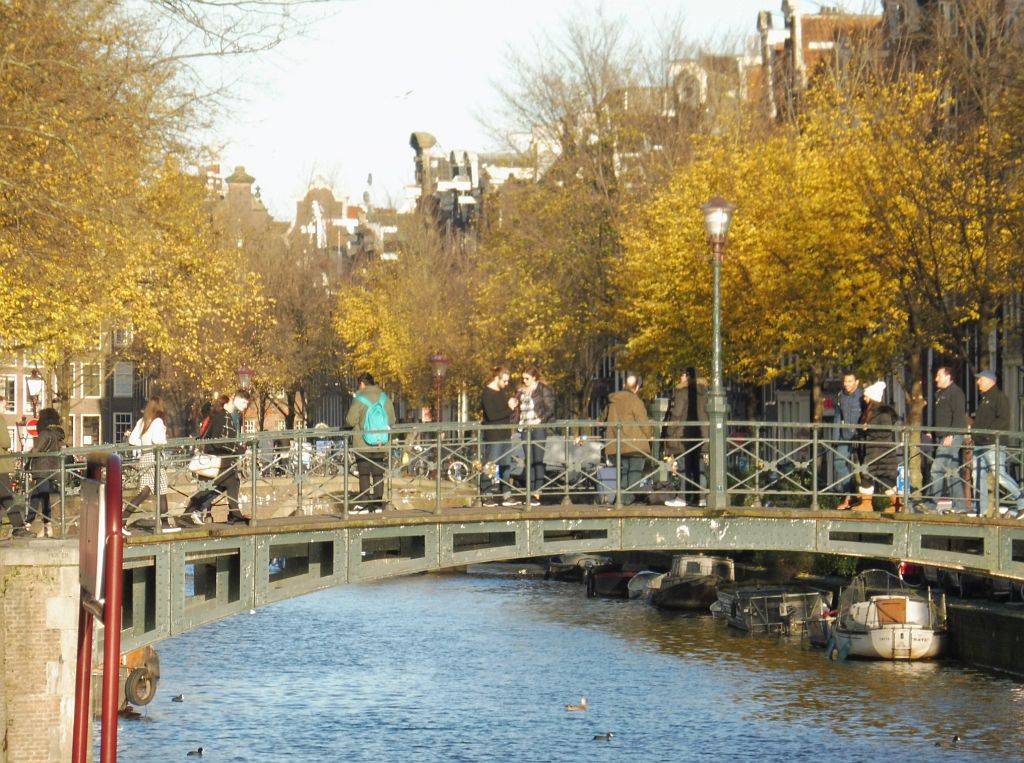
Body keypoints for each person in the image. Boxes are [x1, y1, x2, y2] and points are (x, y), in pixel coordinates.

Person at [187, 390, 251, 525]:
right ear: (233, 401)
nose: (245, 406)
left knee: (223, 484)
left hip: (223, 458)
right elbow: (219, 440)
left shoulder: (227, 416)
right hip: (218, 458)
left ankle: (190, 512)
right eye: (244, 402)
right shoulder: (223, 417)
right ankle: (234, 515)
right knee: (227, 483)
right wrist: (240, 450)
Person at [971, 370, 1024, 518]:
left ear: (990, 380)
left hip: (992, 443)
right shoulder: (984, 399)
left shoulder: (1000, 398)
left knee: (999, 475)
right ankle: (981, 510)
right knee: (977, 475)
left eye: (980, 379)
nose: (978, 382)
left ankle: (1022, 503)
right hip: (979, 443)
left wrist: (987, 433)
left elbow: (1003, 420)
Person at [125, 396, 179, 534]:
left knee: (144, 492)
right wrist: (164, 441)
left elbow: (132, 440)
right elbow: (158, 440)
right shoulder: (158, 421)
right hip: (155, 458)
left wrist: (145, 444)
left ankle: (121, 519)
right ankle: (165, 524)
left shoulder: (142, 421)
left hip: (144, 457)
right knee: (161, 489)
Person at [505, 365, 555, 507]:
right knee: (529, 460)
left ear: (534, 377)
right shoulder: (520, 391)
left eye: (527, 378)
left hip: (538, 427)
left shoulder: (542, 389)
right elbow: (515, 409)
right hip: (524, 428)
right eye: (523, 378)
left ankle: (536, 493)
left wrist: (539, 420)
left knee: (538, 459)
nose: (524, 380)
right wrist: (511, 405)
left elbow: (550, 408)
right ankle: (529, 492)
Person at [346, 372, 397, 513]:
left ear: (362, 383)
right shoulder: (384, 398)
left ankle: (364, 504)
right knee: (378, 473)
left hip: (363, 443)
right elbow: (392, 420)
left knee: (364, 473)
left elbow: (350, 420)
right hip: (381, 442)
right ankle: (378, 504)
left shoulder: (360, 398)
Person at [601, 372, 653, 506]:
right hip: (635, 444)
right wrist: (649, 436)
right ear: (636, 388)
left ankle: (620, 499)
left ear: (624, 385)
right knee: (634, 473)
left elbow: (602, 419)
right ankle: (627, 500)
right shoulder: (636, 401)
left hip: (617, 444)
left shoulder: (612, 400)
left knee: (623, 472)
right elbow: (643, 423)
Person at [923, 366, 967, 513]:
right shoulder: (940, 394)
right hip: (942, 435)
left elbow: (958, 415)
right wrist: (933, 431)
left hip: (950, 437)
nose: (936, 379)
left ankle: (930, 504)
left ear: (948, 377)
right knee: (952, 473)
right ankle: (960, 507)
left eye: (939, 376)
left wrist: (951, 434)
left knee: (937, 469)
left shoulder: (956, 393)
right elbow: (943, 416)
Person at [662, 367, 708, 508]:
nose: (680, 378)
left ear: (687, 376)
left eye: (682, 375)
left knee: (684, 467)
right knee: (699, 467)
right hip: (700, 435)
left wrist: (669, 431)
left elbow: (676, 414)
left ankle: (683, 498)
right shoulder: (705, 393)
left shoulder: (682, 392)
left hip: (683, 435)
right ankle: (700, 498)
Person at [854, 381, 901, 512]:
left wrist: (868, 429)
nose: (864, 398)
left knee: (869, 475)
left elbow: (884, 431)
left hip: (880, 451)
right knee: (881, 478)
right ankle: (896, 504)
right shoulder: (870, 412)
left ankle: (870, 504)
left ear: (872, 397)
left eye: (866, 396)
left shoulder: (883, 414)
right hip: (875, 450)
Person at [25, 407, 65, 537]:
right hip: (50, 469)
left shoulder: (45, 434)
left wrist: (29, 451)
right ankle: (30, 523)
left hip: (42, 468)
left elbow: (37, 450)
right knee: (36, 497)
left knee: (42, 496)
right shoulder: (56, 434)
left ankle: (44, 524)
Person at [480, 366, 514, 507]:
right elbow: (492, 415)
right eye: (504, 381)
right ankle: (486, 494)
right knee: (490, 465)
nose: (506, 384)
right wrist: (509, 409)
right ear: (496, 378)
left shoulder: (502, 393)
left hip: (505, 434)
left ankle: (506, 494)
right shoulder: (487, 394)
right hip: (494, 435)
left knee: (506, 465)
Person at [832, 371, 863, 510]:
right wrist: (835, 437)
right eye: (845, 381)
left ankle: (865, 500)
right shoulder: (841, 396)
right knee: (839, 462)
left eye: (850, 381)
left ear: (857, 382)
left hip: (860, 437)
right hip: (844, 436)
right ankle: (850, 494)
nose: (847, 384)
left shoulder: (863, 396)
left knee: (863, 468)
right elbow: (838, 417)